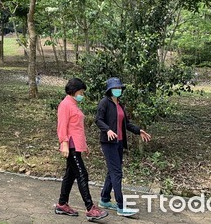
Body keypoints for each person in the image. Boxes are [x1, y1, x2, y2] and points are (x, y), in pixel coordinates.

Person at [96, 77, 151, 217]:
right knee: (117, 173)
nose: (118, 90)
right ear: (110, 90)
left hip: (119, 143)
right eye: (115, 88)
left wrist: (139, 131)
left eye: (120, 88)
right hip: (108, 143)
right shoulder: (104, 103)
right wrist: (107, 130)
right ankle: (121, 206)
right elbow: (98, 120)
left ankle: (104, 199)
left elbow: (126, 123)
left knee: (112, 171)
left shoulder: (120, 104)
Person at [55, 78, 109, 220]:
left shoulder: (74, 104)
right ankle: (90, 208)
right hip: (71, 146)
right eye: (81, 92)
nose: (82, 95)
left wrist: (84, 146)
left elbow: (77, 128)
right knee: (82, 174)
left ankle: (62, 204)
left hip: (77, 146)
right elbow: (62, 126)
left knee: (70, 175)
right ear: (74, 91)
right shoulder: (65, 105)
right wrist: (64, 144)